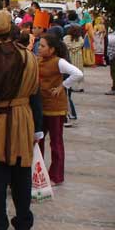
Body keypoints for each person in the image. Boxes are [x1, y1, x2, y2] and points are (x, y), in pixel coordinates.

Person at [0, 10, 42, 230]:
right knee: (21, 171)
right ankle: (23, 222)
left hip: (0, 117)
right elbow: (36, 93)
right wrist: (38, 124)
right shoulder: (29, 56)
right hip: (24, 115)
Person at [38, 34, 83, 186]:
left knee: (56, 142)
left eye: (43, 46)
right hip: (40, 105)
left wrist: (63, 86)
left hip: (55, 107)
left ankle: (56, 175)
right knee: (38, 140)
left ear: (52, 50)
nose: (39, 48)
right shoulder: (38, 61)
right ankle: (39, 172)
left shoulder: (59, 62)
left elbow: (78, 74)